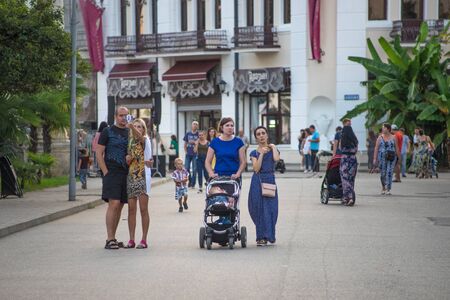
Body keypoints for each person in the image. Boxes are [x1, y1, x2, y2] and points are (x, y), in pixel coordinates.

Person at [96, 106, 130, 250]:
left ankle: (113, 238)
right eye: (121, 115)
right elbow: (99, 152)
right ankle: (109, 238)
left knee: (120, 205)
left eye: (126, 115)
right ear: (115, 116)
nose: (123, 118)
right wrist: (105, 172)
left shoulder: (130, 132)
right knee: (113, 204)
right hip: (111, 173)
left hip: (126, 173)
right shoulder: (107, 131)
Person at [248, 126, 280, 246]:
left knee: (271, 209)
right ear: (256, 138)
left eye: (263, 133)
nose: (261, 135)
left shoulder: (273, 149)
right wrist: (261, 154)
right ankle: (260, 237)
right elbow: (256, 169)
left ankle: (270, 236)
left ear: (267, 135)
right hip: (258, 181)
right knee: (258, 209)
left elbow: (276, 159)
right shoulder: (254, 152)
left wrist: (273, 147)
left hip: (270, 180)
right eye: (258, 134)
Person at [124, 118, 152, 250]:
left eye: (139, 126)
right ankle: (131, 239)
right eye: (135, 126)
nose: (136, 128)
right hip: (131, 176)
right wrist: (127, 159)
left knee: (143, 209)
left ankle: (144, 239)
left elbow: (140, 138)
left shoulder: (145, 139)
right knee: (131, 209)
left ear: (143, 129)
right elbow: (129, 158)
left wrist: (131, 127)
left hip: (142, 176)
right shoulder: (130, 141)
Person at [205, 117, 246, 182]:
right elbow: (207, 161)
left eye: (232, 126)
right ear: (222, 128)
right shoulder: (215, 142)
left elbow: (243, 162)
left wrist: (238, 174)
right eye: (227, 125)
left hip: (234, 176)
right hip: (218, 176)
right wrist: (211, 173)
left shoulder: (238, 142)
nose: (230, 127)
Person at [373, 123, 400, 195]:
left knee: (389, 172)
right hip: (382, 157)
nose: (382, 129)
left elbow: (397, 148)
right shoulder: (380, 137)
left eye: (384, 128)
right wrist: (375, 159)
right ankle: (383, 187)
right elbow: (376, 148)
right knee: (382, 173)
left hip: (391, 157)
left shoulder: (394, 137)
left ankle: (388, 188)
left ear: (388, 129)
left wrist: (399, 157)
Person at [339, 119, 358, 206]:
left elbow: (339, 148)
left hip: (345, 159)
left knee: (344, 178)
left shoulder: (342, 137)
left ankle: (348, 197)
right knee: (351, 178)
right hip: (353, 159)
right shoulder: (354, 139)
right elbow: (356, 150)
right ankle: (348, 197)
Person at [183, 121, 199, 188]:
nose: (195, 125)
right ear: (191, 125)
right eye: (194, 124)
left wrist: (194, 142)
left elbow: (198, 143)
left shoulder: (198, 134)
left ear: (197, 126)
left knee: (195, 169)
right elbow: (185, 143)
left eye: (196, 124)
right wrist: (185, 151)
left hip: (195, 154)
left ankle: (193, 183)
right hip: (188, 153)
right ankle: (190, 181)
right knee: (186, 168)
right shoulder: (188, 134)